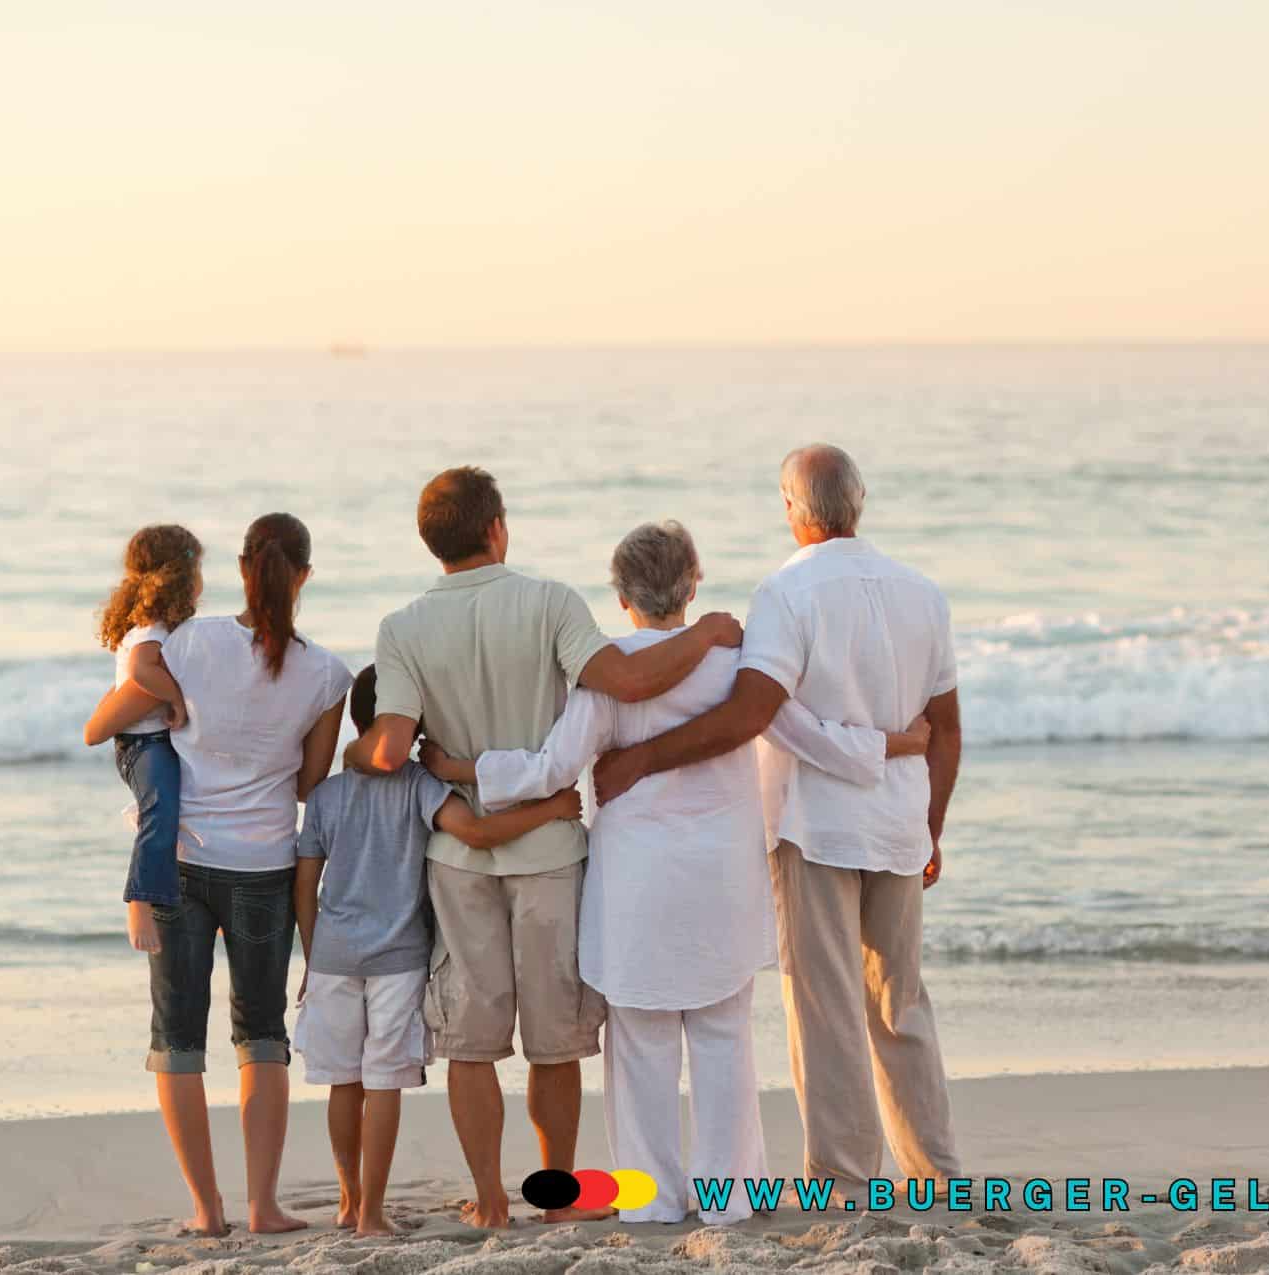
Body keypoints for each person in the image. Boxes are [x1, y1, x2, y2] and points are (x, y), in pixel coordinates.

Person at [421, 521, 931, 1225]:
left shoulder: (606, 676)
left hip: (637, 883)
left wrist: (461, 768)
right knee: (724, 1038)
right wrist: (896, 744)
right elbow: (804, 735)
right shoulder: (735, 663)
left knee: (641, 1046)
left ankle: (652, 1198)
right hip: (721, 877)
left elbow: (547, 769)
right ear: (693, 584)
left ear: (622, 596)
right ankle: (729, 1197)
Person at [343, 466, 743, 1228]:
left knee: (471, 1036)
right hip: (552, 850)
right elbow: (622, 679)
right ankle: (557, 1200)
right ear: (497, 528)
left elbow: (392, 746)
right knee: (553, 1039)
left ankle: (491, 1200)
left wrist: (356, 760)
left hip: (459, 859)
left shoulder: (400, 628)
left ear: (433, 543)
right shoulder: (551, 601)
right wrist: (709, 632)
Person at [593, 445, 964, 1202]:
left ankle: (844, 1177)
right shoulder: (923, 592)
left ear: (796, 511)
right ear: (857, 502)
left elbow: (751, 712)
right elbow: (948, 726)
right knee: (902, 1003)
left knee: (825, 1004)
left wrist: (643, 759)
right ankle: (937, 1174)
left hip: (816, 826)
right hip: (897, 826)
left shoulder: (786, 594)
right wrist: (933, 824)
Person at [86, 512, 352, 1236]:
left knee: (177, 1037)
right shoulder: (327, 673)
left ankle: (207, 1211)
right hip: (263, 864)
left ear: (241, 569)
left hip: (180, 862)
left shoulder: (190, 640)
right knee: (261, 1035)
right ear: (303, 577)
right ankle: (263, 1206)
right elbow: (308, 782)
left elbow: (127, 712)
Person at [293, 665, 587, 1238]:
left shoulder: (325, 796)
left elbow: (306, 884)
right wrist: (550, 811)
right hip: (398, 959)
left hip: (331, 957)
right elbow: (475, 833)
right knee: (381, 1082)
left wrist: (310, 953)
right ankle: (373, 1215)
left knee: (343, 1082)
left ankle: (349, 1202)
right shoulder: (420, 787)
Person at [82, 524, 202, 953]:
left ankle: (201, 896)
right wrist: (178, 702)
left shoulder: (159, 628)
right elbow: (140, 673)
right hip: (143, 744)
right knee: (162, 810)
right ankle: (140, 898)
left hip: (154, 741)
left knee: (187, 814)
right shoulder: (150, 631)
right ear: (181, 578)